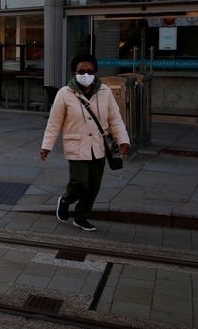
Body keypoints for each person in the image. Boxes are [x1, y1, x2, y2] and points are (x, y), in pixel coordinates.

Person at [39, 54, 130, 231]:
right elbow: (54, 123)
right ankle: (65, 199)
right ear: (74, 72)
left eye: (90, 71)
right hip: (76, 145)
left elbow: (115, 119)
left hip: (99, 146)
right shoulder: (64, 93)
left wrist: (123, 140)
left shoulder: (105, 92)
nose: (86, 74)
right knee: (80, 182)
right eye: (82, 71)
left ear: (95, 72)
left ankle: (81, 217)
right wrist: (46, 146)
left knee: (94, 186)